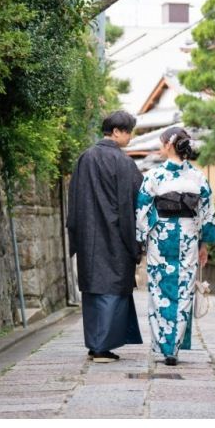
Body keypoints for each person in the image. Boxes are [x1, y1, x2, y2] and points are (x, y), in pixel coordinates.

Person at [135, 126, 215, 366]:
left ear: (169, 145)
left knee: (160, 289)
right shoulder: (198, 177)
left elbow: (142, 211)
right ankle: (175, 347)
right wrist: (203, 245)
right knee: (183, 288)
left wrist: (142, 238)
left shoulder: (154, 176)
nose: (160, 147)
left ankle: (164, 344)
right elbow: (207, 214)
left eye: (161, 143)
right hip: (189, 238)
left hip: (160, 239)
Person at [67, 111, 145, 363]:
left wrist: (76, 232)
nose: (130, 137)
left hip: (89, 236)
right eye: (129, 131)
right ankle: (102, 347)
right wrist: (138, 241)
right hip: (116, 238)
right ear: (117, 132)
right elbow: (138, 200)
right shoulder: (124, 163)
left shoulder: (85, 158)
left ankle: (94, 344)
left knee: (93, 290)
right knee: (113, 289)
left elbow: (74, 199)